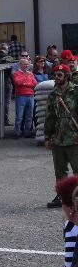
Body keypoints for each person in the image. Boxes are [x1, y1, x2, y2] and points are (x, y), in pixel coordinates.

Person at [45, 64, 78, 209]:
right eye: (55, 75)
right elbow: (50, 116)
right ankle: (62, 196)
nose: (56, 77)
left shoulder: (76, 91)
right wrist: (47, 136)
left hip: (74, 137)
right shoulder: (54, 94)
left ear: (67, 75)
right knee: (60, 171)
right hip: (58, 138)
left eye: (60, 75)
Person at [13, 58, 37, 139]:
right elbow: (17, 82)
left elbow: (34, 83)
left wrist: (24, 83)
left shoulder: (31, 74)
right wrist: (26, 78)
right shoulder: (16, 73)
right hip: (21, 96)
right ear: (20, 65)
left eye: (27, 64)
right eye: (25, 64)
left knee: (29, 116)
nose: (27, 66)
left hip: (30, 96)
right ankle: (17, 132)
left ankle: (28, 132)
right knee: (19, 116)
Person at [0, 43, 14, 126]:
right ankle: (4, 120)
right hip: (6, 80)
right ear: (6, 49)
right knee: (6, 101)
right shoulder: (9, 58)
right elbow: (11, 71)